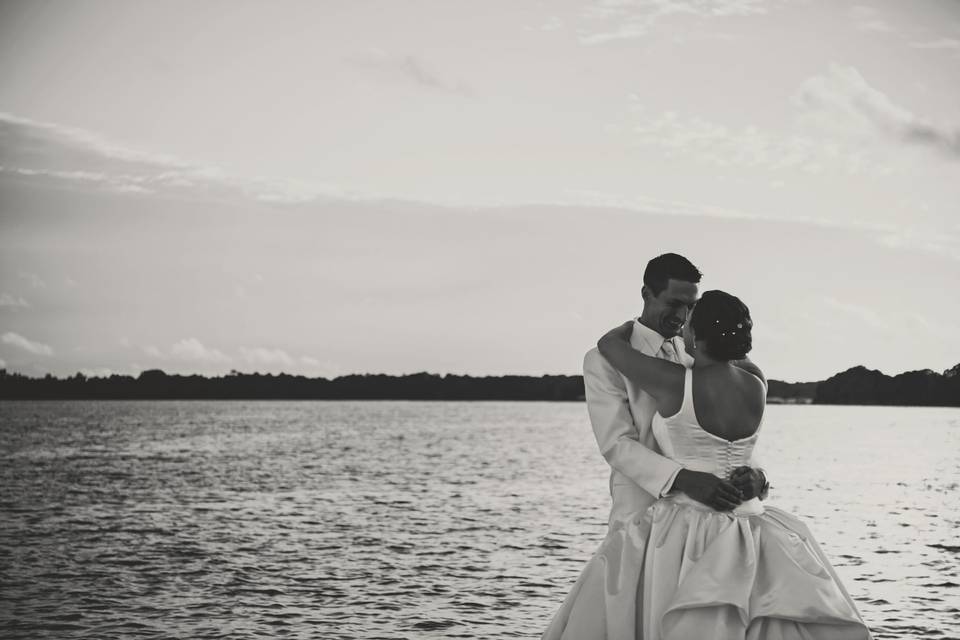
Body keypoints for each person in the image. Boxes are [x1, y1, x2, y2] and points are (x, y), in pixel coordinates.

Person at [544, 288, 873, 639]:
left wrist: (627, 327)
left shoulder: (672, 381)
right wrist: (754, 479)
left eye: (690, 318)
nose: (683, 321)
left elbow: (610, 346)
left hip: (682, 528)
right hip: (749, 523)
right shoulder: (757, 381)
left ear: (697, 336)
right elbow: (730, 446)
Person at [542, 253, 768, 639]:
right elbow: (617, 444)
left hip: (716, 526)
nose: (682, 316)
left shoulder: (698, 349)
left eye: (691, 305)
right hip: (641, 515)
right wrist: (683, 479)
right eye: (674, 303)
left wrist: (757, 477)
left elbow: (724, 432)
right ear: (647, 293)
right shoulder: (604, 360)